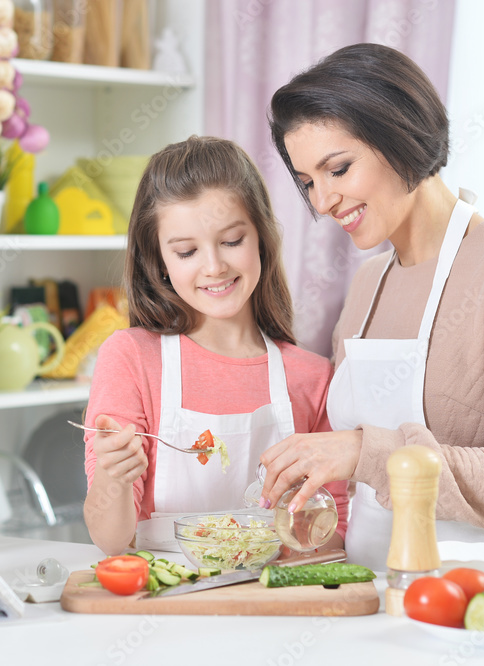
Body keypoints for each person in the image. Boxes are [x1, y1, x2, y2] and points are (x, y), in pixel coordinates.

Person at [260, 43, 484, 570]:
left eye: (337, 169)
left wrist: (365, 453)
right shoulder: (367, 286)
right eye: (308, 183)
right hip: (366, 593)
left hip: (466, 602)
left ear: (399, 135)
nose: (321, 202)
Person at [82, 136, 349, 556]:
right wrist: (114, 479)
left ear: (260, 237)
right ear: (161, 262)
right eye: (186, 251)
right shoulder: (131, 358)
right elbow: (109, 538)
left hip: (272, 608)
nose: (213, 267)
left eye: (231, 241)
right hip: (167, 609)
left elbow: (334, 538)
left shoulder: (313, 378)